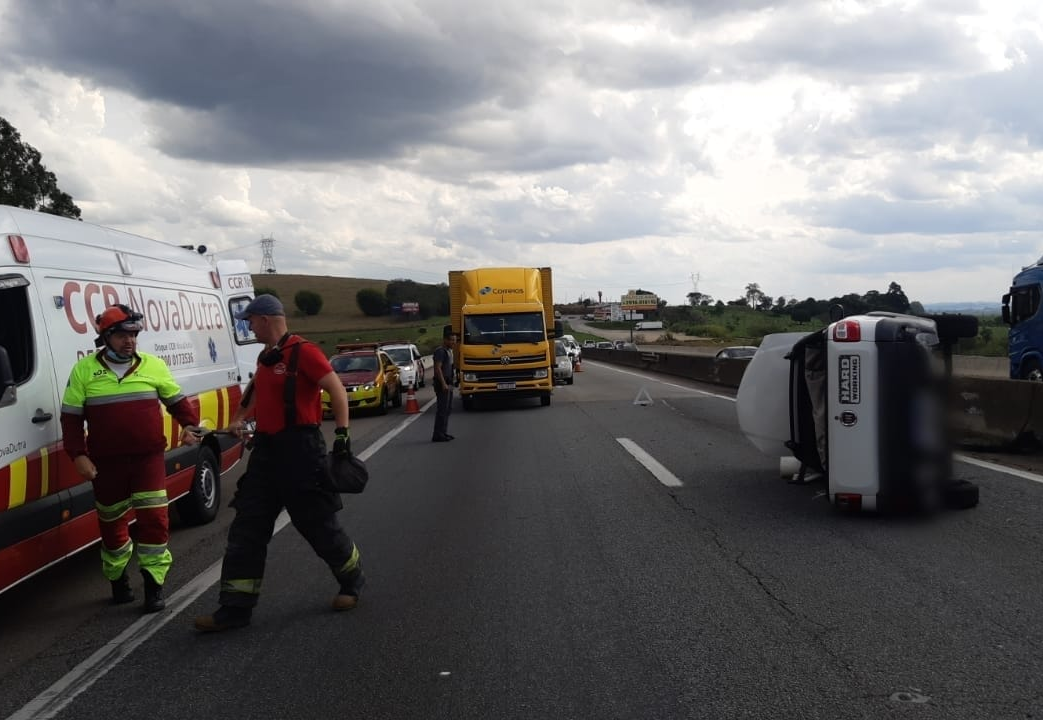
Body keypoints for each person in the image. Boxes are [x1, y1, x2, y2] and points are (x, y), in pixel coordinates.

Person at [194, 294, 364, 632]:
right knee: (247, 528)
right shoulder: (266, 357)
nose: (248, 325)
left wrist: (342, 436)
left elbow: (337, 390)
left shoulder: (305, 352)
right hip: (268, 454)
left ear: (266, 319)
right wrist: (239, 418)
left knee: (318, 525)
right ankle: (235, 609)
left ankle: (352, 581)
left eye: (251, 320)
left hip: (302, 451)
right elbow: (255, 392)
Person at [60, 304, 200, 613]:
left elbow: (177, 401)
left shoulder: (153, 365)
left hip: (147, 459)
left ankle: (154, 586)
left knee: (154, 521)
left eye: (134, 335)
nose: (130, 341)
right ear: (106, 337)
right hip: (106, 464)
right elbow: (70, 420)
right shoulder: (84, 371)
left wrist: (190, 426)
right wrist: (78, 456)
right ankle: (118, 579)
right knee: (112, 525)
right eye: (123, 335)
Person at [432, 327, 456, 442]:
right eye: (451, 340)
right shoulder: (440, 351)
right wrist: (443, 383)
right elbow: (438, 368)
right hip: (442, 384)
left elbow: (450, 367)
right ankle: (438, 434)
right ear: (445, 340)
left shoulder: (450, 351)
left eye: (454, 340)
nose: (453, 342)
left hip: (449, 382)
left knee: (448, 409)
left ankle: (443, 432)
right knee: (442, 410)